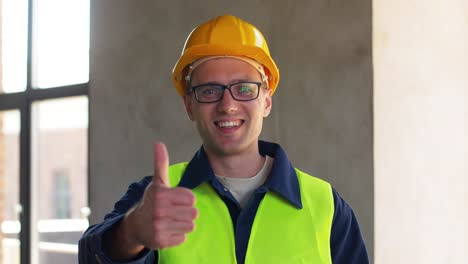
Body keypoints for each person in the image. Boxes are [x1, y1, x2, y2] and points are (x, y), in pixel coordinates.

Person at [79, 14, 369, 264]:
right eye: (209, 90)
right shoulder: (156, 197)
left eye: (244, 89)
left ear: (267, 102)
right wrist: (131, 234)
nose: (227, 105)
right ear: (189, 105)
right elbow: (90, 254)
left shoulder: (326, 206)